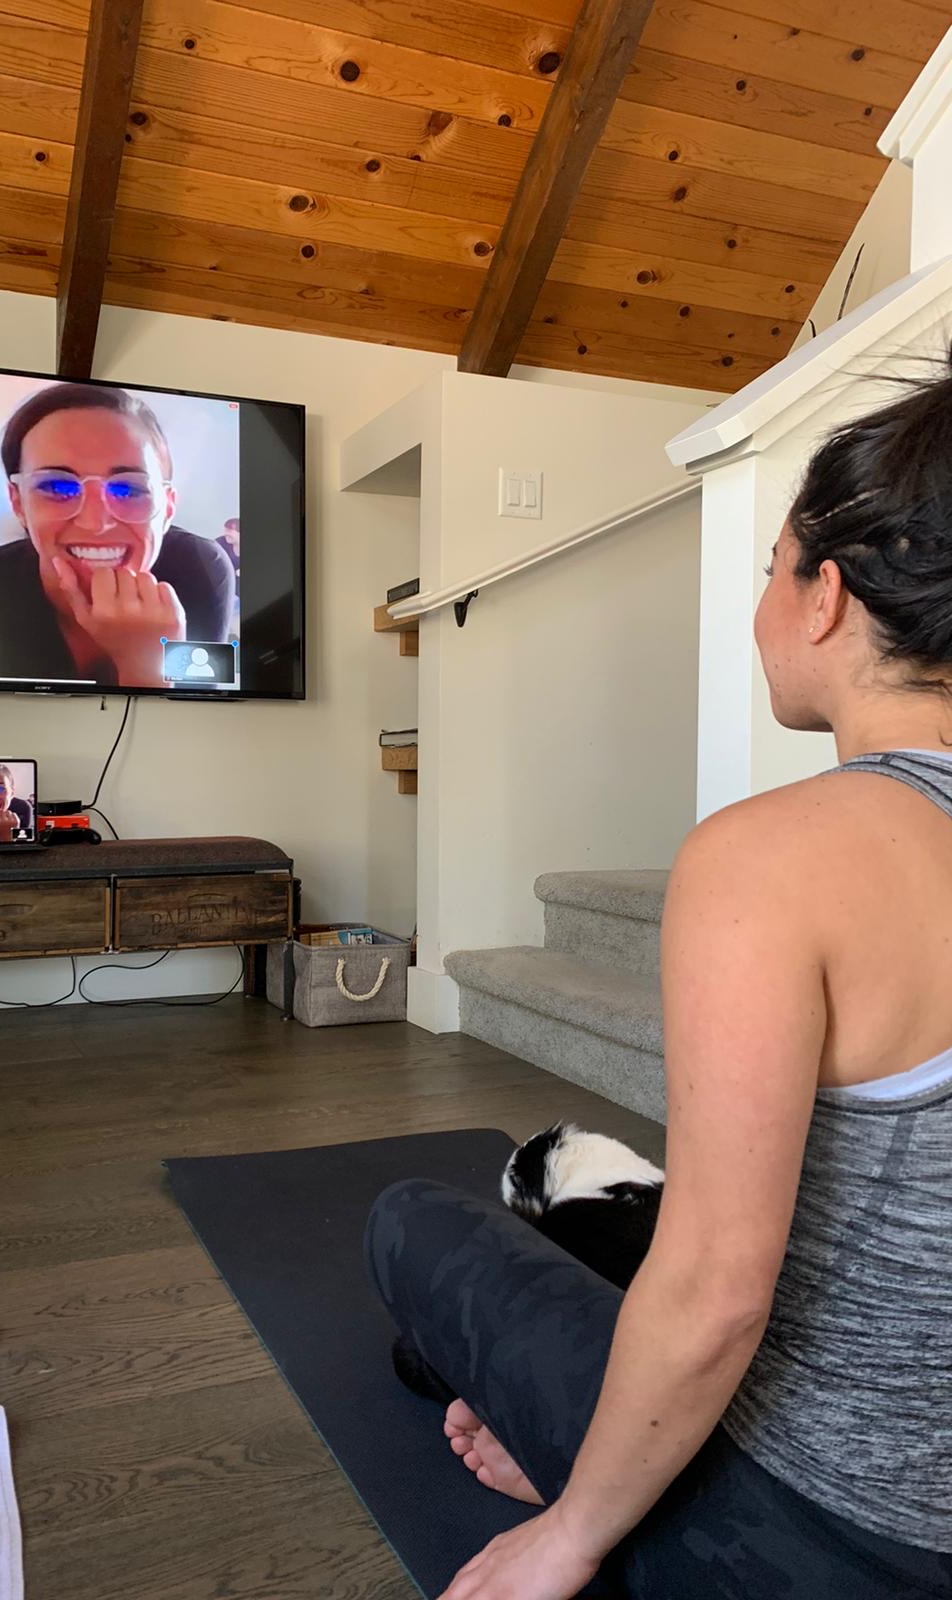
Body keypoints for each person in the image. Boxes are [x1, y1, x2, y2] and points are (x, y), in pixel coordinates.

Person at [367, 358, 952, 1600]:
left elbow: (718, 1292)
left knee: (412, 1220)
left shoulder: (771, 859)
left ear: (826, 598)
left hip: (828, 1536)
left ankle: (599, 1475)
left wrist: (570, 1530)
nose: (759, 607)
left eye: (769, 570)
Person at [0, 384, 234, 688]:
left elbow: (197, 707)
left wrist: (148, 668)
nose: (95, 523)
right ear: (18, 503)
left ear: (167, 508)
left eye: (128, 490)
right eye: (56, 487)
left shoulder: (202, 572)